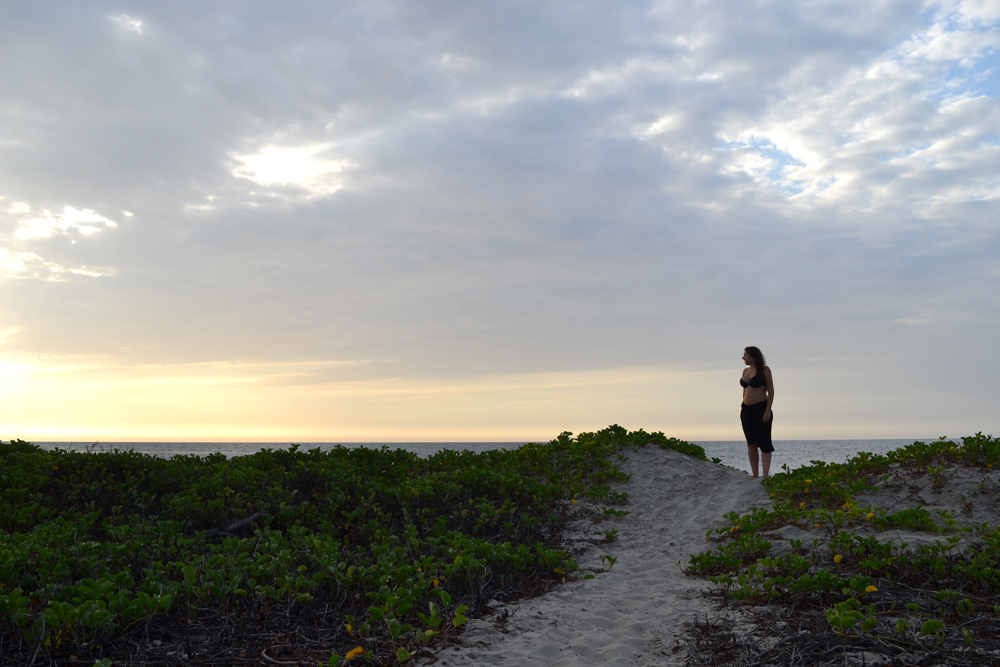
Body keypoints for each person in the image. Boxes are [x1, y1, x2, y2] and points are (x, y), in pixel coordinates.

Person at [740, 346, 774, 480]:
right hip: (746, 410)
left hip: (761, 408)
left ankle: (765, 477)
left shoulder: (765, 370)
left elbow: (770, 391)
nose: (743, 357)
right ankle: (755, 474)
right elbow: (745, 391)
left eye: (745, 355)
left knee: (764, 442)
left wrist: (767, 411)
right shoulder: (745, 371)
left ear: (753, 356)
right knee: (751, 443)